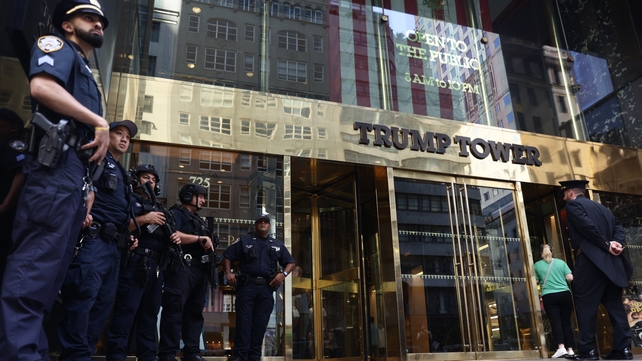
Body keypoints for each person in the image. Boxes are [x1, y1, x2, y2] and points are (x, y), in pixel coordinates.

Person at [0, 1, 112, 358]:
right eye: (88, 17)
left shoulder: (84, 68)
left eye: (101, 20)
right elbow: (42, 88)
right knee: (34, 269)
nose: (98, 24)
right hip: (53, 172)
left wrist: (88, 185)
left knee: (50, 277)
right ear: (67, 25)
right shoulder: (57, 46)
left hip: (72, 177)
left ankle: (31, 350)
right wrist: (99, 121)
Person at [58, 120, 138, 360]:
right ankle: (75, 356)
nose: (124, 139)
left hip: (113, 247)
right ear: (107, 135)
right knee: (83, 298)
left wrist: (128, 235)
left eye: (128, 137)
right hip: (93, 241)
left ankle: (86, 352)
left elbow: (118, 211)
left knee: (103, 305)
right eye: (119, 133)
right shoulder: (96, 156)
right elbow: (75, 182)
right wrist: (81, 209)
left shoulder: (123, 173)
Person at [106, 164, 180, 361]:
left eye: (154, 179)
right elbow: (122, 226)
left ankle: (147, 356)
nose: (150, 181)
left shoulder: (159, 207)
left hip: (156, 266)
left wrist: (173, 241)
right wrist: (146, 218)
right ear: (137, 179)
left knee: (150, 314)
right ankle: (116, 355)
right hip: (135, 261)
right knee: (126, 311)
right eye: (146, 177)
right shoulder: (130, 199)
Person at [561, 179, 633, 360]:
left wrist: (607, 244)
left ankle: (588, 351)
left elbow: (587, 227)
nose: (564, 197)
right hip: (611, 264)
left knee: (586, 305)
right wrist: (617, 244)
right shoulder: (603, 209)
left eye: (564, 194)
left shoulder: (573, 206)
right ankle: (624, 349)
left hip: (590, 262)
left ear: (570, 193)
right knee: (616, 307)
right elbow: (619, 228)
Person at [224, 214, 295, 361]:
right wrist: (228, 273)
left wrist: (283, 274)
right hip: (247, 287)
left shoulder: (277, 244)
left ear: (269, 226)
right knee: (243, 322)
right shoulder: (245, 240)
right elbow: (228, 256)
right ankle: (240, 356)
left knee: (260, 324)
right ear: (255, 226)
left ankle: (255, 356)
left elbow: (290, 263)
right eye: (260, 222)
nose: (263, 223)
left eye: (266, 222)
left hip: (266, 288)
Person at [158, 183, 214, 361]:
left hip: (200, 269)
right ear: (190, 196)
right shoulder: (176, 213)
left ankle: (192, 352)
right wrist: (199, 239)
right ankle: (167, 353)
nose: (204, 200)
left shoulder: (199, 220)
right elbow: (172, 235)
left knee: (195, 313)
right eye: (201, 196)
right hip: (182, 267)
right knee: (174, 310)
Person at [534, 244, 575, 358]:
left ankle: (561, 348)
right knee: (566, 322)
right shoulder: (561, 263)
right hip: (565, 294)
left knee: (556, 322)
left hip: (549, 295)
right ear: (552, 251)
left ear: (541, 253)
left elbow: (535, 281)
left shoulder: (537, 265)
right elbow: (570, 278)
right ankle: (570, 349)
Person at [0, 108, 25, 286]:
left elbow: (20, 173)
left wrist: (5, 205)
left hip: (4, 216)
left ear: (13, 127)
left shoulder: (13, 145)